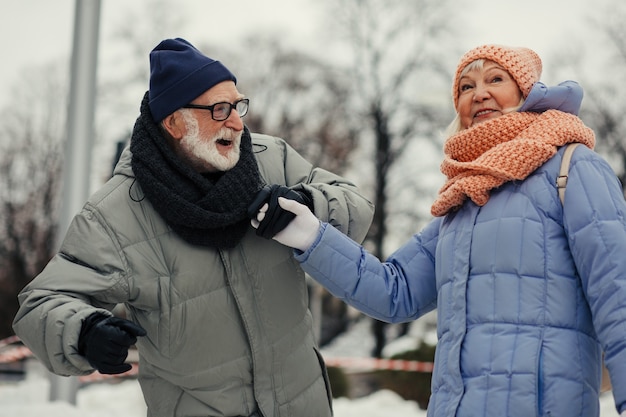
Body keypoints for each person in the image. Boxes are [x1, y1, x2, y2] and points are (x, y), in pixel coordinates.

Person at [251, 44, 626, 417]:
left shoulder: (574, 168)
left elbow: (617, 293)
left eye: (496, 79)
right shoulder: (461, 203)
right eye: (466, 86)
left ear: (528, 93)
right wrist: (310, 235)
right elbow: (393, 291)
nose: (479, 93)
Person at [12, 37, 374, 417]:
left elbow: (356, 205)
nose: (236, 123)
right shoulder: (115, 215)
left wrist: (309, 207)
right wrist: (83, 331)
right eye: (219, 110)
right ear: (174, 122)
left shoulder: (274, 161)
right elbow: (41, 304)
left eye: (238, 106)